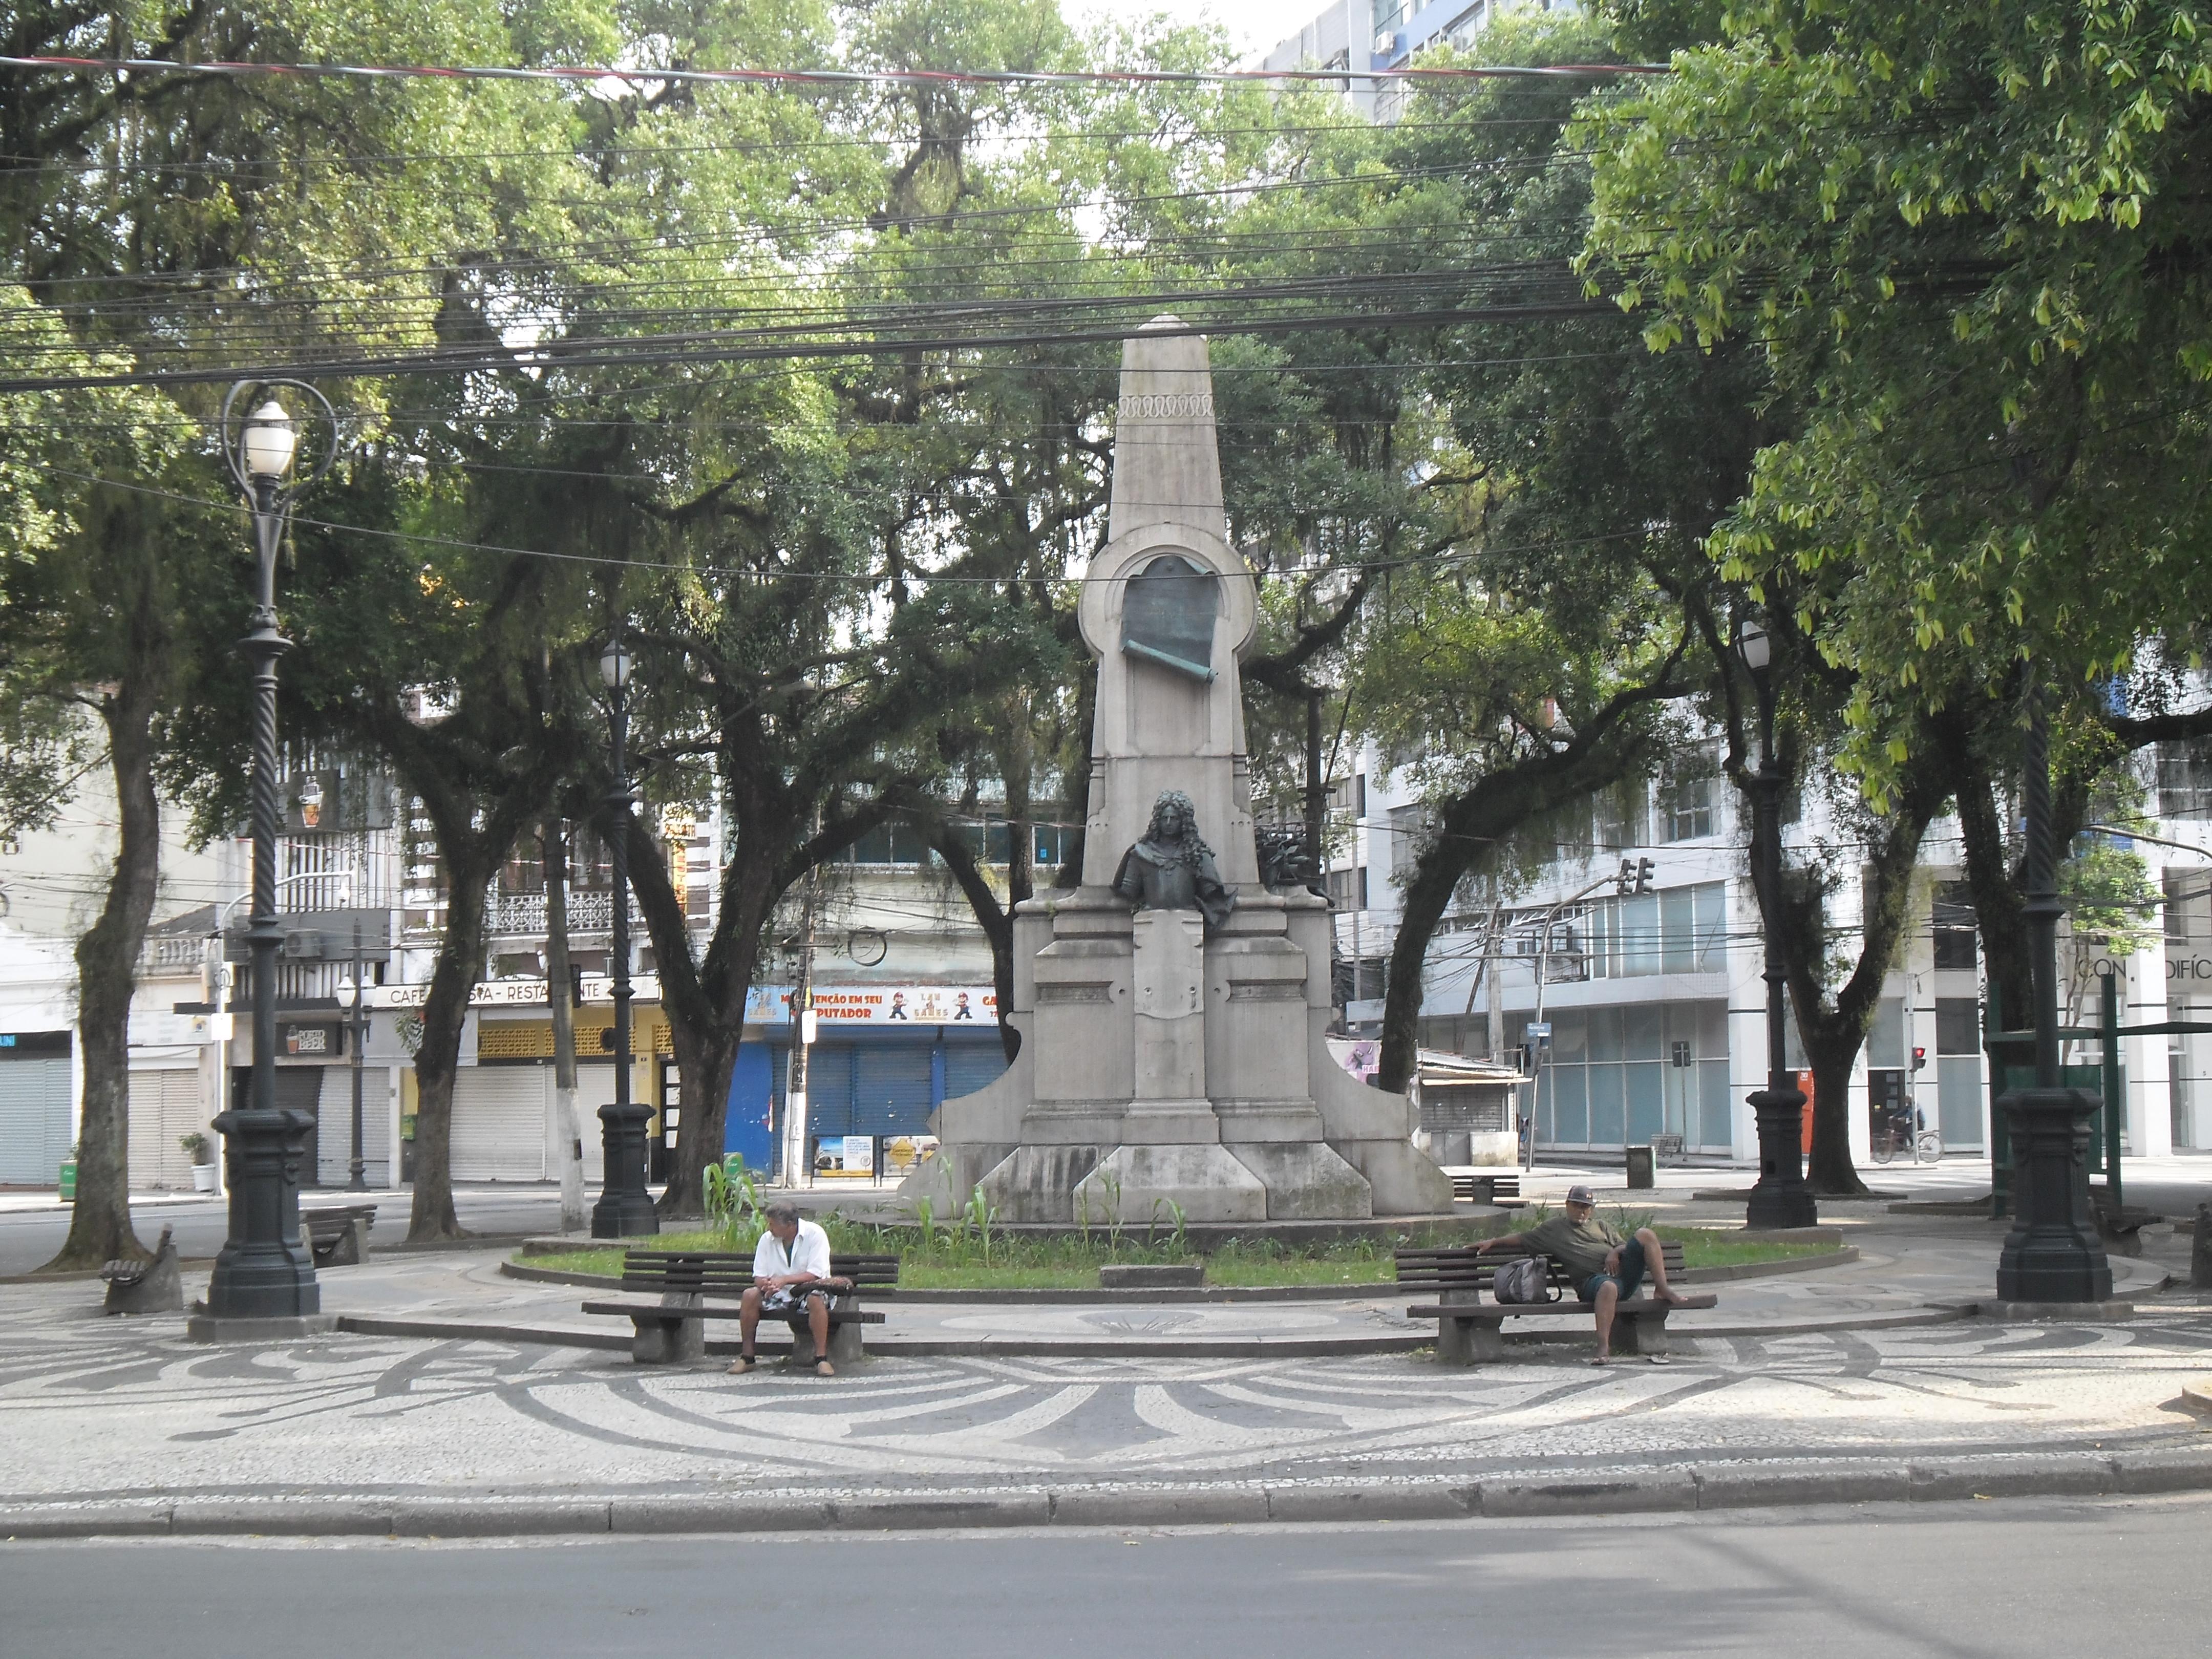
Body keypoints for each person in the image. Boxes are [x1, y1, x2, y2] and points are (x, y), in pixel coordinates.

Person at [1477, 1183, 1689, 1365]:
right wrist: (1493, 1242)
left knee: (1646, 1234)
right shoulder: (1554, 1229)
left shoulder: (1602, 1227)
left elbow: (1624, 1246)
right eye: (1577, 1206)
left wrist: (1614, 1252)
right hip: (1592, 1284)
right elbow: (1522, 1238)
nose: (1582, 1211)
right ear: (1567, 1206)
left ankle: (1662, 1289)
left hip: (1624, 1278)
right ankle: (1604, 1348)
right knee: (1608, 1287)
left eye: (1587, 1207)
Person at [730, 1201, 844, 1376]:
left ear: (790, 1225)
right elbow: (759, 1276)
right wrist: (766, 1284)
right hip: (778, 1293)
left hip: (809, 1290)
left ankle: (821, 1358)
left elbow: (816, 1273)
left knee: (815, 1298)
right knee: (750, 1295)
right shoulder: (767, 1240)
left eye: (773, 1224)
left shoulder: (815, 1234)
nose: (770, 1228)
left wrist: (784, 1280)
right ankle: (747, 1357)